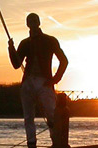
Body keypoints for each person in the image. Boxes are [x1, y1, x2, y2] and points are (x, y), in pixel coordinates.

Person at [7, 13, 69, 148]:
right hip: (28, 82)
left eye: (35, 20)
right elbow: (16, 64)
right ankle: (31, 144)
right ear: (27, 24)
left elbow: (64, 61)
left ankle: (57, 143)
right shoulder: (24, 43)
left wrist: (55, 79)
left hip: (44, 82)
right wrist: (11, 49)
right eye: (30, 20)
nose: (33, 23)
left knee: (51, 114)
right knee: (28, 117)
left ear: (39, 22)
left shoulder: (50, 40)